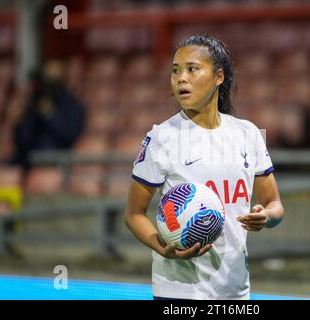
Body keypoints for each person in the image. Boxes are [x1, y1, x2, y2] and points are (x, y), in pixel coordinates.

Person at [125, 34, 285, 300]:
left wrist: (266, 217)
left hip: (235, 290)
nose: (181, 78)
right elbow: (133, 214)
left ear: (218, 77)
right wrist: (161, 246)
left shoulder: (249, 134)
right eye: (175, 71)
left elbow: (275, 205)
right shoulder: (161, 138)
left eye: (192, 69)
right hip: (178, 290)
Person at [11, 60, 85, 171]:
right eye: (46, 78)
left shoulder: (72, 105)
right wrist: (18, 124)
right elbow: (22, 140)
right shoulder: (35, 102)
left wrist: (51, 115)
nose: (49, 82)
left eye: (54, 78)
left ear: (63, 79)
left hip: (55, 160)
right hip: (28, 159)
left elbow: (70, 133)